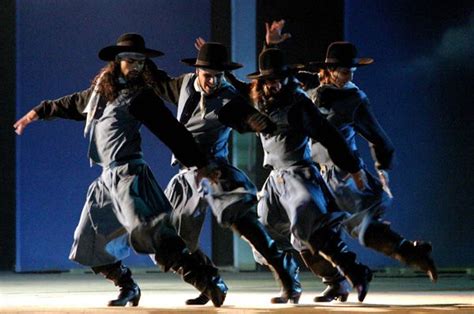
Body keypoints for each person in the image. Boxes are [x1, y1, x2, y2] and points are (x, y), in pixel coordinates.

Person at [13, 33, 228, 307]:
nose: (136, 66)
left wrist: (201, 164)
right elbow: (69, 104)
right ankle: (127, 286)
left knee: (150, 233)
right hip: (106, 181)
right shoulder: (100, 94)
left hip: (130, 176)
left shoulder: (141, 96)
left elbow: (172, 132)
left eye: (140, 61)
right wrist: (37, 112)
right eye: (131, 60)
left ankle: (208, 280)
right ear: (118, 61)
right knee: (88, 240)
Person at [147, 42, 302, 305]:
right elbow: (155, 79)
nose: (213, 81)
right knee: (169, 235)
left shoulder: (228, 97)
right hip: (188, 174)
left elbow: (243, 116)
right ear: (197, 72)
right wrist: (134, 58)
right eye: (208, 75)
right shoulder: (183, 85)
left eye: (218, 76)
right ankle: (209, 281)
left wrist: (259, 122)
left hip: (215, 170)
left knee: (238, 216)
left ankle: (284, 269)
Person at [226, 45, 374, 302]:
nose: (276, 85)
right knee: (264, 234)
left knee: (309, 230)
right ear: (262, 81)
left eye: (280, 79)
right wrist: (221, 72)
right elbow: (238, 90)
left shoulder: (298, 103)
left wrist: (354, 168)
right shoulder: (257, 97)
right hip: (275, 181)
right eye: (270, 80)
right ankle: (291, 284)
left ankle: (352, 272)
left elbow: (330, 136)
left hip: (299, 176)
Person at [293, 41, 438, 301]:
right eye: (344, 71)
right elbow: (278, 77)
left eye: (351, 72)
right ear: (330, 70)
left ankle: (412, 253)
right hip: (314, 174)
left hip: (343, 173)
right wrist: (269, 44)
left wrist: (382, 168)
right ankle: (336, 282)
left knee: (364, 227)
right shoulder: (311, 85)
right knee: (304, 235)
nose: (349, 76)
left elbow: (377, 137)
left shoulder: (354, 98)